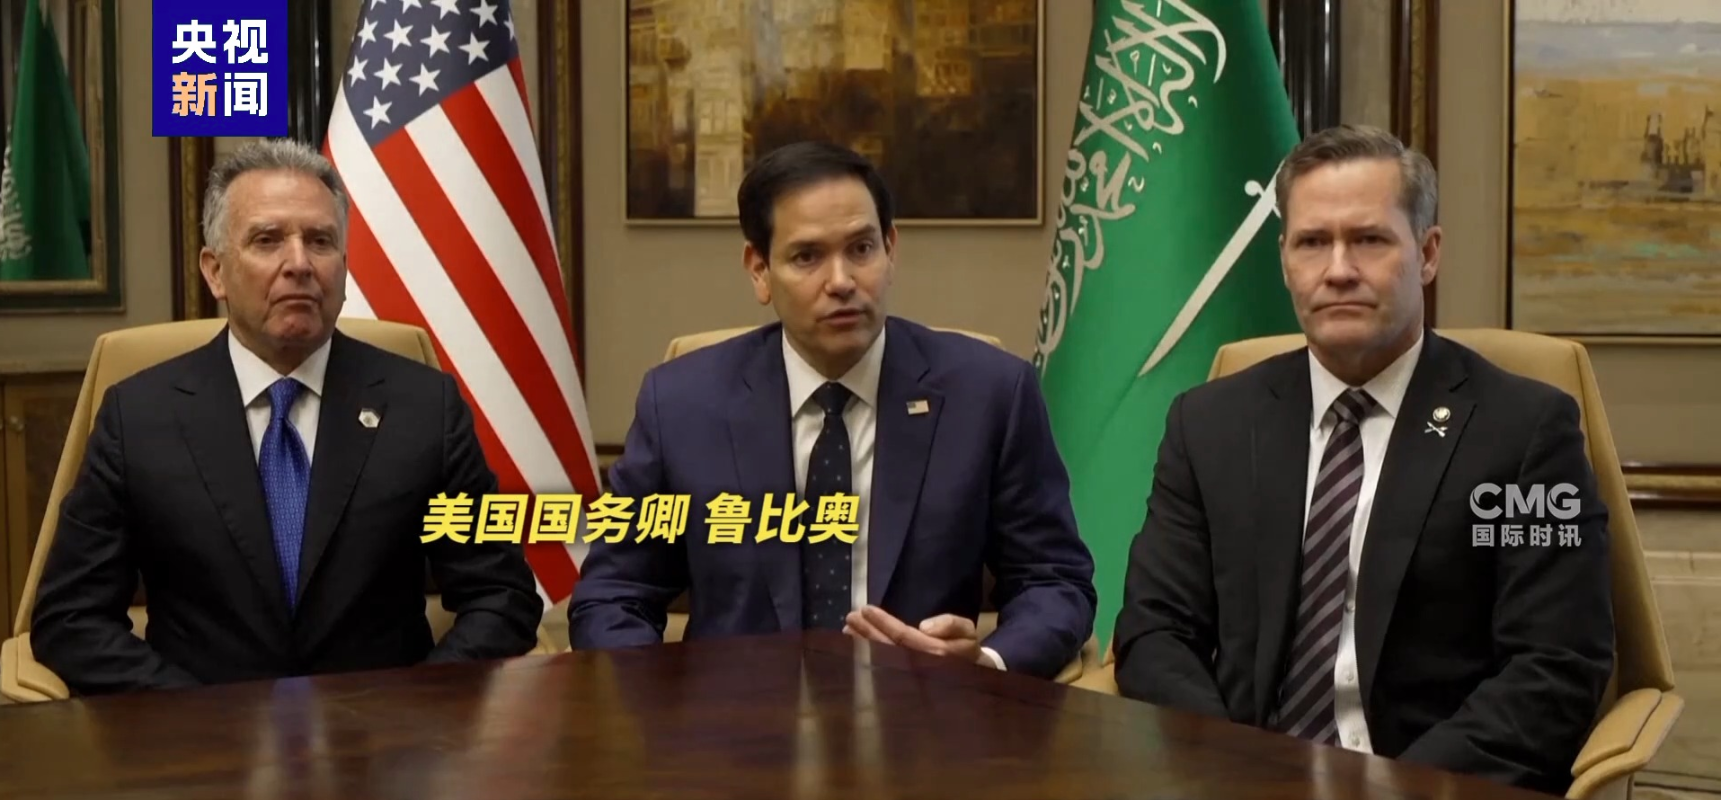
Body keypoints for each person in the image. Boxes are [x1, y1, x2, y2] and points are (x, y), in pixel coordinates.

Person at [1112, 125, 1613, 795]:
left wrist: (1391, 789)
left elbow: (1553, 667)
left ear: (1427, 253)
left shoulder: (1525, 433)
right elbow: (1154, 632)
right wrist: (1234, 770)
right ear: (1284, 260)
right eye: (1312, 242)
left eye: (1369, 240)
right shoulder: (1208, 425)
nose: (1338, 269)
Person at [31, 139, 544, 695]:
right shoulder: (139, 417)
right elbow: (70, 618)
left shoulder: (425, 408)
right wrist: (192, 716)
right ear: (215, 272)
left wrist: (414, 709)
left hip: (386, 738)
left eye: (320, 241)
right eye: (267, 240)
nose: (299, 264)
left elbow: (502, 596)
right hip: (201, 738)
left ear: (343, 268)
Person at [568, 141, 1097, 680]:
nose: (842, 281)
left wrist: (984, 665)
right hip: (731, 723)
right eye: (807, 257)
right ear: (759, 270)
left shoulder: (988, 395)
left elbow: (1055, 580)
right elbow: (614, 594)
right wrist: (661, 708)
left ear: (891, 250)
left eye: (862, 248)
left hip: (925, 715)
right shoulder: (683, 405)